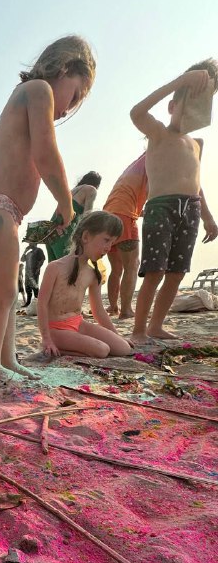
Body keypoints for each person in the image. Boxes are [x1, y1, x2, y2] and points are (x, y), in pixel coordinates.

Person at [0, 35, 96, 382]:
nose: (67, 108)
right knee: (5, 295)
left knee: (6, 295)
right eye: (75, 94)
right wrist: (66, 203)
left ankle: (7, 361)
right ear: (66, 67)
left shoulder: (20, 100)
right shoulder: (39, 90)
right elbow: (46, 154)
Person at [130, 62, 218, 344]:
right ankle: (139, 330)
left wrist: (208, 216)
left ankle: (156, 325)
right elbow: (136, 112)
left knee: (177, 272)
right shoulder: (158, 133)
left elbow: (196, 183)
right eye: (187, 103)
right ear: (172, 106)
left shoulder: (197, 143)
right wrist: (180, 81)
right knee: (154, 270)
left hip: (190, 208)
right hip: (161, 207)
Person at [37, 211, 132, 358]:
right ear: (86, 236)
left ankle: (78, 345)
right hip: (56, 329)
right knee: (102, 350)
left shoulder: (93, 273)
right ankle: (59, 349)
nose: (109, 248)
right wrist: (46, 338)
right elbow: (41, 304)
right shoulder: (55, 268)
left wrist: (117, 335)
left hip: (78, 323)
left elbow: (98, 311)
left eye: (112, 242)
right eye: (106, 240)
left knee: (124, 349)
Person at [103, 154, 148, 319]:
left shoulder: (134, 164)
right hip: (124, 215)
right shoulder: (152, 158)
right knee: (132, 265)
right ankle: (126, 310)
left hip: (107, 215)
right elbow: (151, 189)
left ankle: (114, 307)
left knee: (116, 269)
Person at [45, 170, 102, 262]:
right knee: (68, 267)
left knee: (54, 269)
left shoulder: (71, 191)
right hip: (64, 232)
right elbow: (87, 216)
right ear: (97, 184)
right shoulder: (91, 190)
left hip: (50, 232)